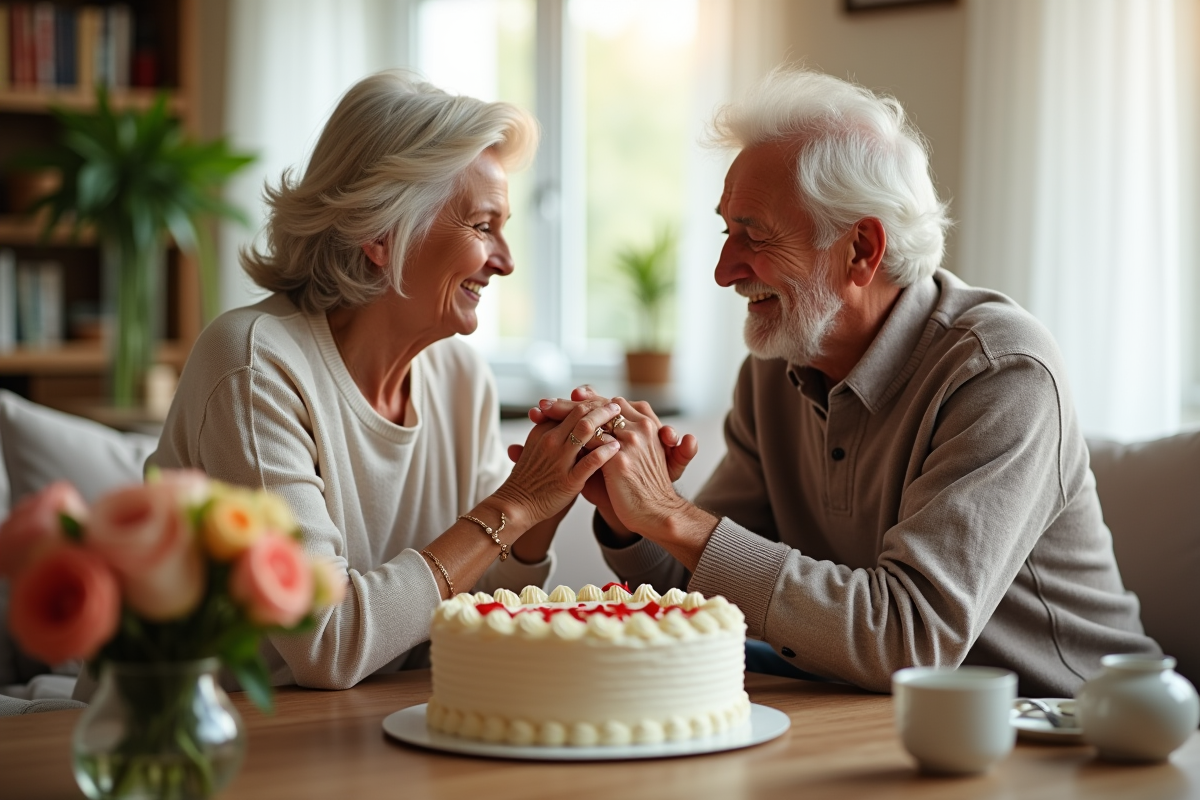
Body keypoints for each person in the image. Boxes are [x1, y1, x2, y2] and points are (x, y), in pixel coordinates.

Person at [537, 67, 1159, 697]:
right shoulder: (775, 368)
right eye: (727, 232)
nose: (724, 272)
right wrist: (631, 511)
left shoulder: (1001, 373)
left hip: (1068, 732)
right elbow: (694, 589)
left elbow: (909, 640)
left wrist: (674, 516)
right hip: (877, 717)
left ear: (861, 249)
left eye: (754, 235)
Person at [149, 72, 625, 690]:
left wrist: (550, 500)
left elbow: (481, 607)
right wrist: (515, 502)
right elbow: (326, 642)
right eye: (483, 227)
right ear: (381, 233)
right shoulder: (253, 362)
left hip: (371, 729)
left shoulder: (458, 375)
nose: (506, 261)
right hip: (205, 739)